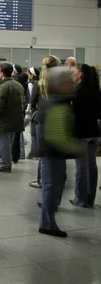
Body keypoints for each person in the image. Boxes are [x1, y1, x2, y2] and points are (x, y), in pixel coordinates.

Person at [37, 67, 84, 237]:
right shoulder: (58, 104)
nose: (71, 85)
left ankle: (47, 220)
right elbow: (57, 136)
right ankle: (47, 223)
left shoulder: (56, 100)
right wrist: (77, 148)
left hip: (52, 152)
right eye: (68, 82)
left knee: (56, 185)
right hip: (53, 152)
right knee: (53, 187)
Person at [70, 63, 100, 208]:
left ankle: (80, 199)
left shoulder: (78, 91)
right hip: (94, 131)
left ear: (81, 74)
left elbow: (73, 113)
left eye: (74, 72)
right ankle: (90, 198)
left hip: (80, 132)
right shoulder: (96, 90)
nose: (72, 74)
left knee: (81, 167)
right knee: (92, 166)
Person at [28, 56, 60, 188]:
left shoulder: (39, 84)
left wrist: (36, 114)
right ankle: (54, 182)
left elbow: (33, 103)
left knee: (44, 155)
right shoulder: (62, 83)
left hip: (42, 121)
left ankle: (41, 180)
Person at [0, 62, 24, 173]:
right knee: (8, 143)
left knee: (4, 143)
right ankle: (5, 161)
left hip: (6, 120)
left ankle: (5, 164)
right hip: (16, 119)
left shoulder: (3, 86)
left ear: (2, 72)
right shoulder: (18, 85)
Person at [25, 67, 40, 159]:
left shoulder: (31, 84)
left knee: (33, 131)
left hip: (32, 111)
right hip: (35, 110)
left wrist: (29, 109)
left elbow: (31, 98)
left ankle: (34, 152)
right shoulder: (38, 83)